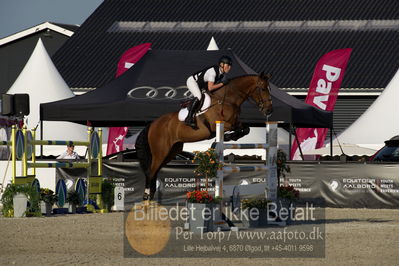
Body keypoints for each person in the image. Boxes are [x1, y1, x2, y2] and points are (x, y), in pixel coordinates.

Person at [185, 55, 232, 128]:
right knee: (199, 96)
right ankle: (189, 118)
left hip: (201, 85)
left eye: (230, 66)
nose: (229, 67)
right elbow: (210, 88)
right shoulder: (213, 72)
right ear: (222, 65)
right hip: (192, 81)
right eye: (228, 65)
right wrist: (222, 83)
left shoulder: (221, 74)